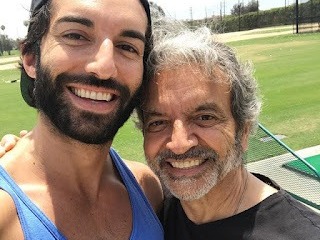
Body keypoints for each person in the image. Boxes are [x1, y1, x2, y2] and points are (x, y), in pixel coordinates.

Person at [135, 23, 320, 239]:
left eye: (204, 118)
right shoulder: (151, 211)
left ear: (243, 130)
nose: (179, 144)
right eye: (158, 122)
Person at [0, 0, 164, 239]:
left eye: (128, 47)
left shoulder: (148, 189)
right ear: (31, 59)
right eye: (76, 35)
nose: (104, 66)